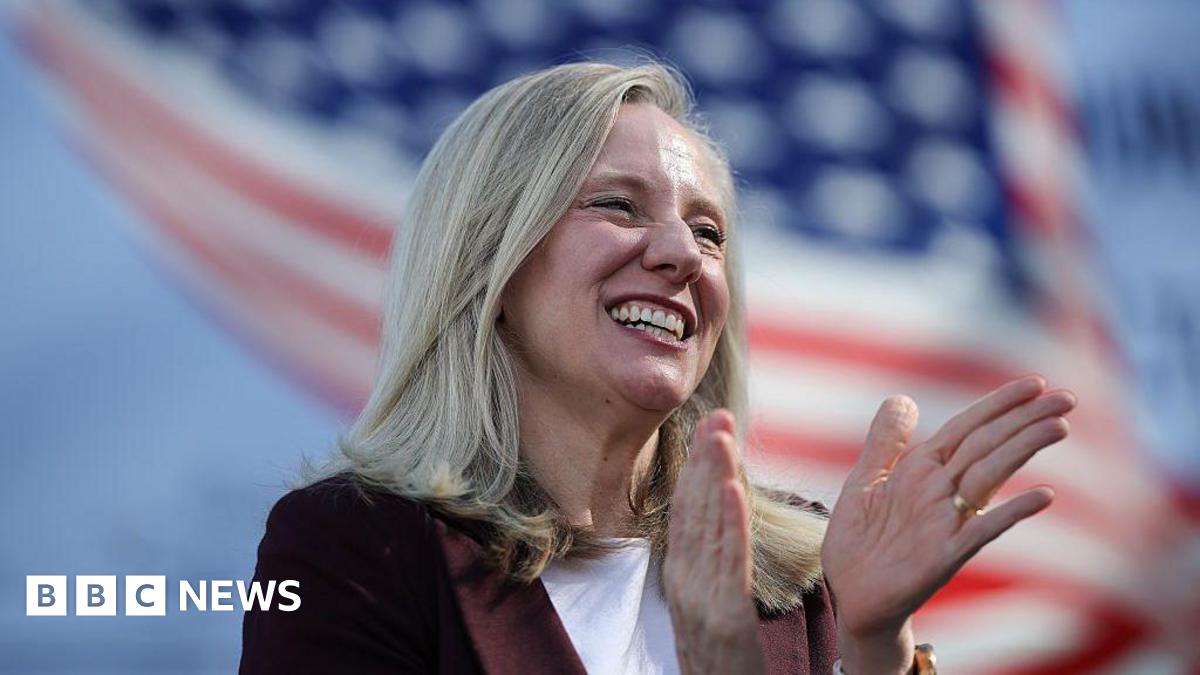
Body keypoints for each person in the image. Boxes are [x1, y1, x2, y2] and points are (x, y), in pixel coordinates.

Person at [240, 61, 1076, 674]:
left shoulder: (802, 572)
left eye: (709, 231)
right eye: (616, 205)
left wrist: (872, 641)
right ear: (487, 267)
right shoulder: (353, 549)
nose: (682, 254)